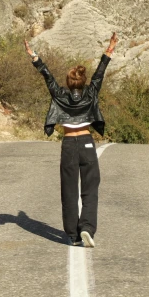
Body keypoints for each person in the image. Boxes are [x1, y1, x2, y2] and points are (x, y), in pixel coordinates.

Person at [24, 33, 118, 248]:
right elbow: (100, 73)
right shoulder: (91, 91)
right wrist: (110, 47)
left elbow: (47, 76)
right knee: (90, 189)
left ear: (68, 82)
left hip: (68, 144)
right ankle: (87, 228)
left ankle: (73, 235)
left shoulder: (59, 94)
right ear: (83, 81)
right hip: (86, 143)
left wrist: (34, 56)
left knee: (68, 190)